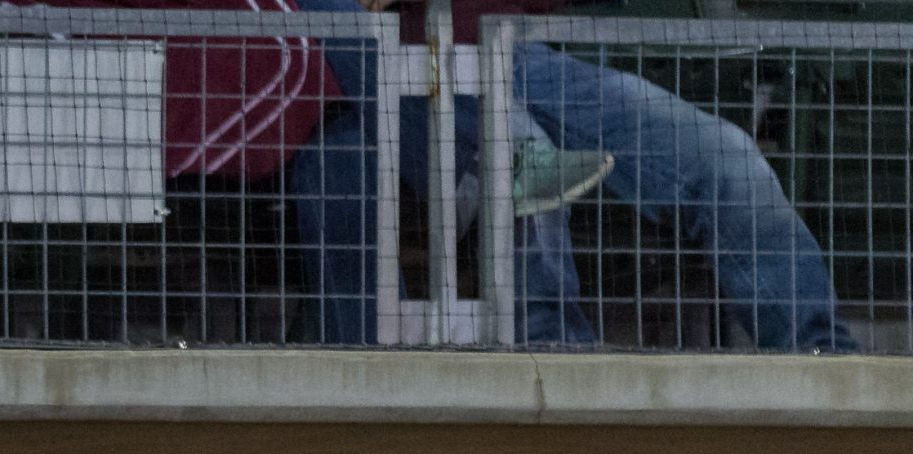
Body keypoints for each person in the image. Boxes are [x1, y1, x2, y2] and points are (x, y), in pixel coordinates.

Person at [286, 0, 854, 351]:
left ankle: (827, 363)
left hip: (522, 54)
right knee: (518, 152)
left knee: (730, 158)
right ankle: (553, 355)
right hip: (386, 70)